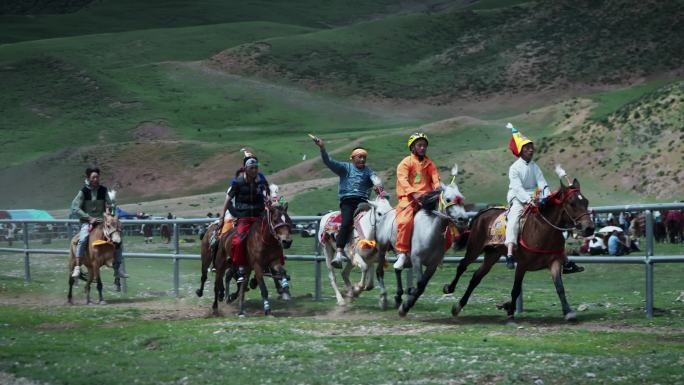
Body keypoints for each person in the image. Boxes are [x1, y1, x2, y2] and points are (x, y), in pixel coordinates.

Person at [311, 135, 379, 268]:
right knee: (347, 221)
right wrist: (322, 148)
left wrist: (379, 187)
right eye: (359, 156)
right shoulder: (345, 168)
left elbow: (376, 180)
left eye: (364, 157)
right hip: (348, 201)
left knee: (375, 221)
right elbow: (329, 162)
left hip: (364, 203)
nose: (362, 159)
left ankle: (381, 249)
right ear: (352, 158)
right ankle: (339, 251)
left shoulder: (368, 172)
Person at [217, 154, 270, 283]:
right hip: (244, 217)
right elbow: (228, 199)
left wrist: (268, 202)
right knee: (238, 241)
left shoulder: (261, 180)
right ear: (245, 169)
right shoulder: (237, 182)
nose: (254, 170)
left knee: (272, 236)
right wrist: (222, 216)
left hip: (259, 216)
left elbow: (267, 193)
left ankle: (270, 263)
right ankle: (240, 267)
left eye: (256, 167)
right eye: (252, 168)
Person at [504, 124, 550, 269]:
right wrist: (528, 200)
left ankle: (561, 256)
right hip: (518, 197)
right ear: (520, 150)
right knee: (514, 219)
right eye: (527, 147)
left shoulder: (535, 167)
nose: (531, 150)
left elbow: (542, 183)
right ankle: (510, 253)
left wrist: (547, 197)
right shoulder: (514, 168)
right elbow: (517, 187)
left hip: (534, 198)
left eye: (531, 147)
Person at [393, 132, 441, 270]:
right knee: (405, 221)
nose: (423, 148)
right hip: (408, 198)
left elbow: (435, 177)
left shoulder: (429, 163)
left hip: (427, 198)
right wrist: (413, 194)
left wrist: (438, 189)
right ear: (412, 147)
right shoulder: (405, 163)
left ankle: (439, 252)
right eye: (420, 145)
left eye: (424, 146)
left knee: (444, 218)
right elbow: (403, 180)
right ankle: (402, 253)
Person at [70, 167, 128, 279]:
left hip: (102, 222)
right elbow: (75, 208)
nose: (96, 179)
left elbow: (110, 204)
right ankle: (77, 267)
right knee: (83, 239)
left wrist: (110, 209)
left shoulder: (103, 190)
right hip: (88, 222)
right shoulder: (83, 192)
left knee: (117, 239)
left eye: (97, 177)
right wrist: (88, 217)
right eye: (93, 177)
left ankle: (118, 267)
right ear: (88, 178)